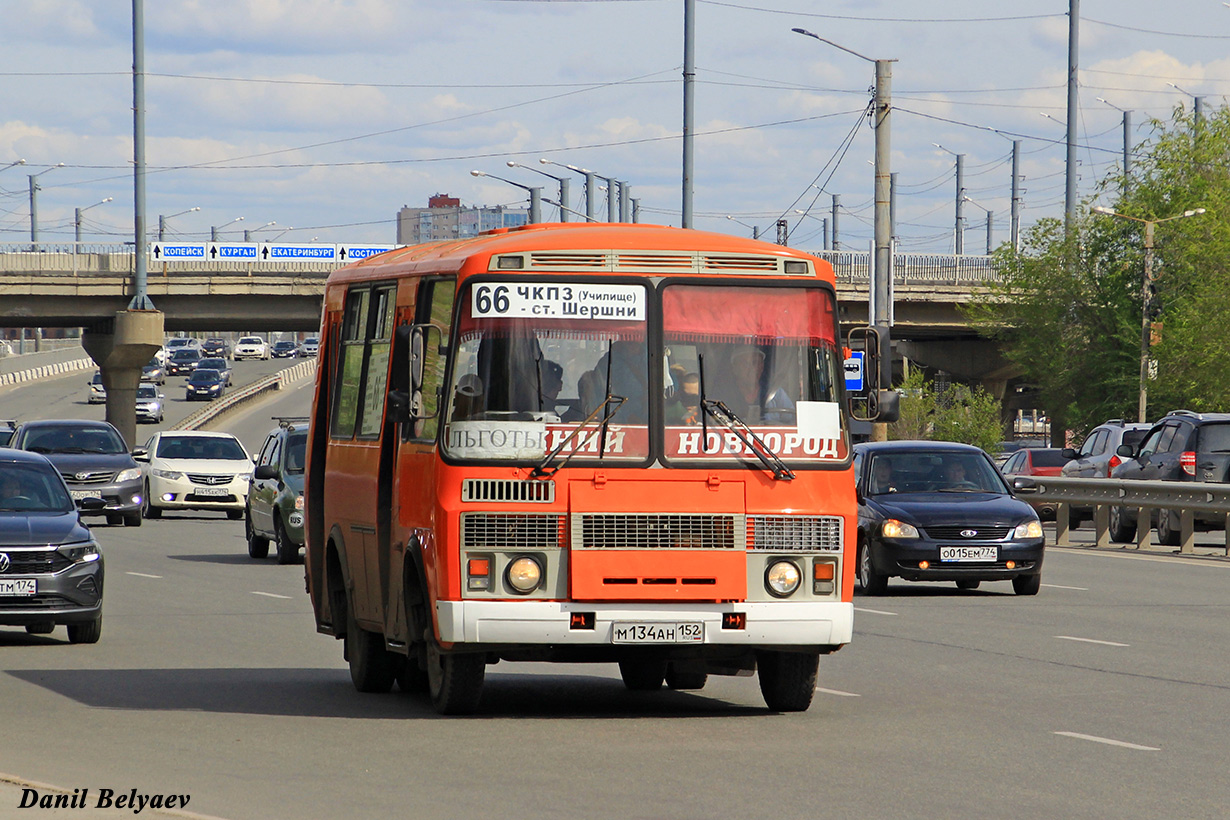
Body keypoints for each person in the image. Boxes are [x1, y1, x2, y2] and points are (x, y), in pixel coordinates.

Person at [728, 344, 793, 423]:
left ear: (761, 367)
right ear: (735, 369)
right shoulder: (725, 395)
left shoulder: (776, 393)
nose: (751, 368)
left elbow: (793, 421)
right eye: (744, 363)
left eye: (755, 363)